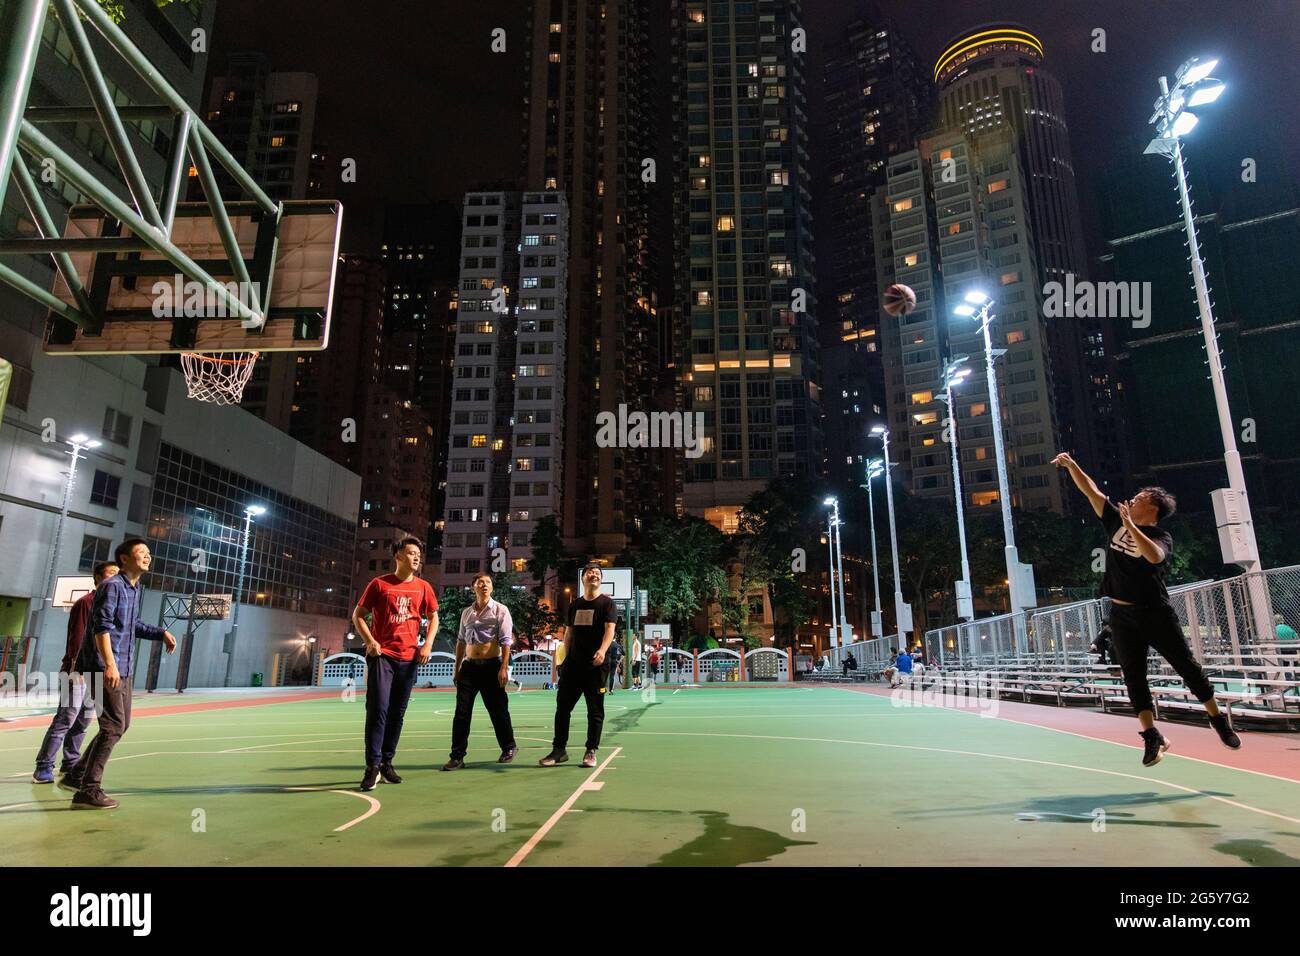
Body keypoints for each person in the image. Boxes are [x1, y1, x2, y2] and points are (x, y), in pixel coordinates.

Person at [1054, 452, 1241, 765]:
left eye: (1139, 497)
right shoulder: (1115, 519)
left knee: (1188, 668)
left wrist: (1130, 524)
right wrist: (1072, 465)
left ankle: (1217, 719)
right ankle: (1152, 735)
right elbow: (1091, 491)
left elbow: (1153, 556)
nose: (1132, 498)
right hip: (1121, 614)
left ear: (1151, 507)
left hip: (1155, 613)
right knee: (1134, 677)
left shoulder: (1160, 536)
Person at [61, 540, 176, 809]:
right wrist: (109, 664)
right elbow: (102, 627)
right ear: (125, 559)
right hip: (104, 667)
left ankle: (76, 775)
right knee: (112, 727)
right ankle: (88, 790)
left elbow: (131, 624)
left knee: (120, 726)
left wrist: (161, 633)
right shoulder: (112, 586)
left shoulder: (134, 589)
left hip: (122, 667)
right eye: (141, 552)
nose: (148, 556)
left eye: (149, 553)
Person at [353, 537, 439, 790]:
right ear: (398, 556)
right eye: (411, 553)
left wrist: (428, 644)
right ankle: (372, 766)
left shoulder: (424, 587)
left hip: (409, 658)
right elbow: (358, 615)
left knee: (397, 714)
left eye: (418, 555)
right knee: (378, 709)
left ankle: (387, 763)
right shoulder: (379, 585)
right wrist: (370, 641)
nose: (416, 558)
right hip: (383, 656)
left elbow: (434, 617)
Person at [33, 561, 119, 784]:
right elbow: (77, 636)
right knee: (66, 719)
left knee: (84, 720)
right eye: (111, 574)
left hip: (97, 673)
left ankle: (70, 763)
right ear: (98, 578)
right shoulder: (86, 603)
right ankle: (43, 767)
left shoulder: (112, 605)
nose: (115, 579)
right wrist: (76, 666)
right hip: (78, 671)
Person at [540, 563, 617, 769]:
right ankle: (559, 750)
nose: (594, 575)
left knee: (595, 710)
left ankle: (591, 750)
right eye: (590, 572)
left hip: (596, 666)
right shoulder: (575, 605)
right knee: (563, 708)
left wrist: (602, 650)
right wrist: (565, 658)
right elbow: (569, 633)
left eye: (598, 573)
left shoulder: (607, 604)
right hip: (573, 665)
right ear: (583, 579)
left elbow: (610, 630)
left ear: (601, 579)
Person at [443, 572, 516, 770]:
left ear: (492, 588)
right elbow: (460, 641)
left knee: (498, 709)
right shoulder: (467, 613)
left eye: (488, 582)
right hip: (469, 668)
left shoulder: (501, 610)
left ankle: (509, 747)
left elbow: (506, 641)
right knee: (462, 712)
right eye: (480, 582)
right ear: (473, 587)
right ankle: (457, 756)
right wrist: (457, 668)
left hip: (492, 665)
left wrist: (503, 667)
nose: (484, 585)